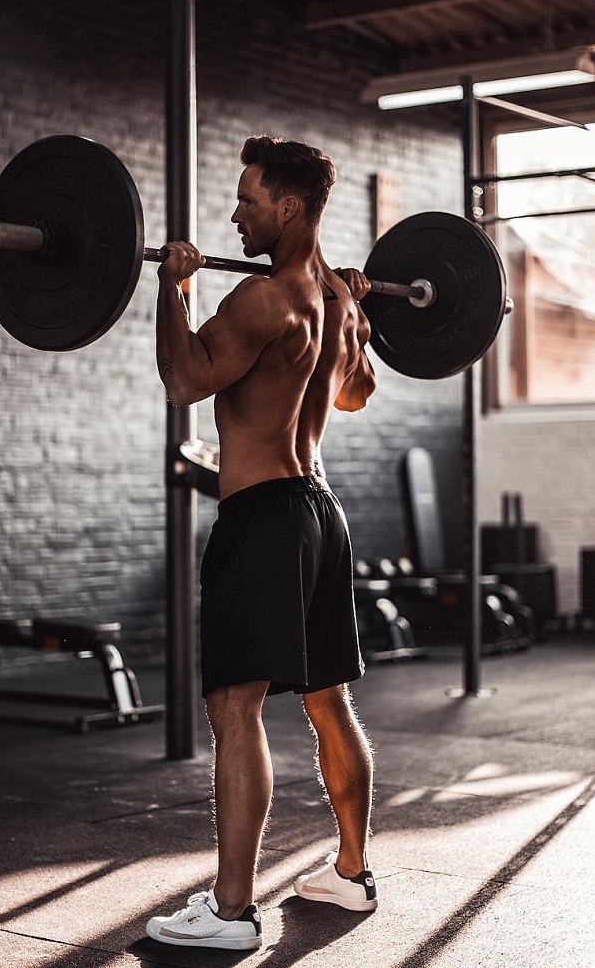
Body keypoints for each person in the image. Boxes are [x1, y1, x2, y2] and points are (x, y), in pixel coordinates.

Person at [146, 136, 378, 952]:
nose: (234, 214)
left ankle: (233, 910)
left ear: (285, 207)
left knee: (234, 708)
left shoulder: (261, 301)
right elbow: (352, 395)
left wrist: (171, 290)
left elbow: (183, 381)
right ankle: (349, 873)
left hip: (264, 516)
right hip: (323, 510)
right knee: (327, 698)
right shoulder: (336, 302)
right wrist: (356, 306)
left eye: (246, 200)